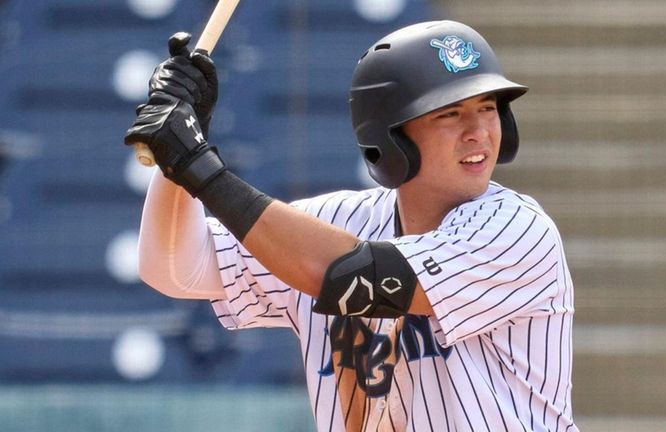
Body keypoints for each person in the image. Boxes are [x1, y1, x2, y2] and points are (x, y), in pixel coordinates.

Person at [125, 20, 579, 432]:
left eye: (488, 107)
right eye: (450, 112)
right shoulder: (339, 223)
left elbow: (362, 279)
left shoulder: (517, 230)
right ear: (389, 134)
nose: (479, 130)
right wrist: (176, 161)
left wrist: (198, 165)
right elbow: (174, 268)